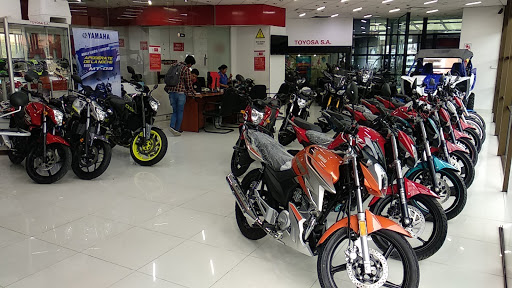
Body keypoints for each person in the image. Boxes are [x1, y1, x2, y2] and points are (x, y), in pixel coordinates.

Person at [166, 55, 196, 136]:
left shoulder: (174, 65)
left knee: (174, 111)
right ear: (189, 63)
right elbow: (189, 84)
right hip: (180, 93)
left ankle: (172, 126)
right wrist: (193, 93)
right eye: (191, 65)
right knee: (180, 111)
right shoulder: (185, 69)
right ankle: (177, 129)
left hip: (171, 92)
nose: (190, 66)